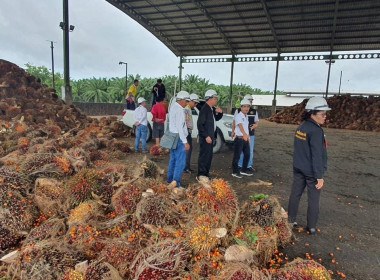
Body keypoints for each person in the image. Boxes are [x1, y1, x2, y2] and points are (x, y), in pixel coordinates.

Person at [287, 96, 331, 235]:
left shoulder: (302, 127)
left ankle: (290, 220)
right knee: (314, 199)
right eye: (322, 114)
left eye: (325, 114)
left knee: (295, 194)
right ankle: (311, 226)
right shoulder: (316, 131)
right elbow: (316, 156)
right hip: (311, 171)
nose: (325, 117)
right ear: (312, 113)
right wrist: (319, 176)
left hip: (298, 168)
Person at [197, 89, 223, 180]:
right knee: (204, 156)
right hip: (206, 138)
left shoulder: (211, 109)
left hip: (210, 137)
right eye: (215, 98)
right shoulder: (205, 109)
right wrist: (206, 136)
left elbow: (216, 119)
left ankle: (206, 173)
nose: (216, 100)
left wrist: (220, 113)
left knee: (208, 156)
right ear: (210, 99)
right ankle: (201, 174)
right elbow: (200, 124)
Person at [167, 91, 191, 189]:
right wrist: (185, 142)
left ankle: (170, 181)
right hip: (179, 139)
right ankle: (176, 183)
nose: (187, 103)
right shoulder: (180, 110)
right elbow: (180, 128)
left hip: (173, 137)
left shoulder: (173, 108)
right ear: (181, 100)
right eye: (186, 101)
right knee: (180, 162)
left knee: (173, 160)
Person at [231, 94, 259, 172]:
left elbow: (257, 121)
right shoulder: (238, 111)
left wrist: (255, 125)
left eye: (251, 101)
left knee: (249, 150)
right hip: (242, 135)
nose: (251, 102)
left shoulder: (254, 111)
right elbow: (235, 122)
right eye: (249, 101)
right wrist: (233, 131)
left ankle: (248, 165)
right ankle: (240, 165)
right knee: (240, 151)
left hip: (251, 133)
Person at [184, 93, 200, 173]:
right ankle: (186, 167)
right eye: (195, 103)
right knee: (188, 149)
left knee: (188, 149)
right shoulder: (186, 109)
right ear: (191, 101)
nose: (195, 105)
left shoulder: (188, 108)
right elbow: (185, 122)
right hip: (186, 132)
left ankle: (186, 166)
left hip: (187, 131)